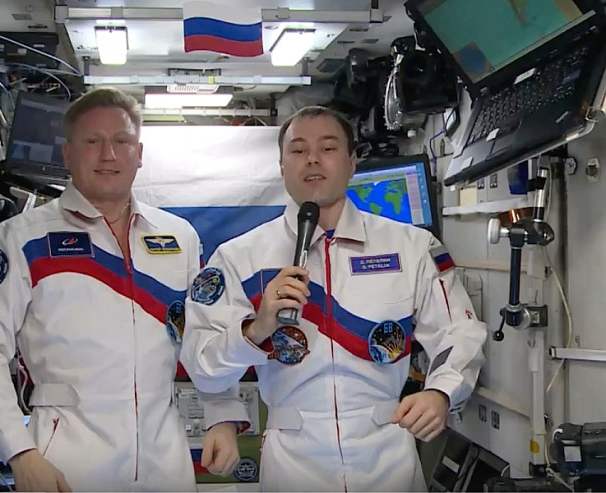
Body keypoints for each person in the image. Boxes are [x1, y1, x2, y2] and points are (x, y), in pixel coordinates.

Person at [181, 106, 487, 492]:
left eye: (327, 148)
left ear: (352, 161)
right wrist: (255, 330)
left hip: (387, 455)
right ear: (281, 166)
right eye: (298, 150)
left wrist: (442, 392)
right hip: (293, 461)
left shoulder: (411, 247)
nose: (312, 159)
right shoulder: (238, 257)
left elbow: (459, 333)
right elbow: (203, 365)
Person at [0, 88, 246, 492]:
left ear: (139, 154)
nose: (108, 154)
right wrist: (19, 450)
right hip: (64, 459)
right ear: (67, 153)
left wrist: (221, 413)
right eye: (93, 141)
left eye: (121, 141)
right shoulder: (20, 239)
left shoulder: (178, 237)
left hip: (164, 457)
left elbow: (202, 335)